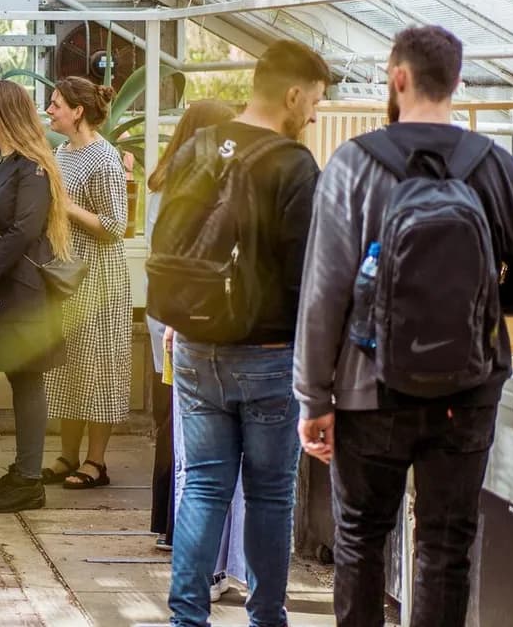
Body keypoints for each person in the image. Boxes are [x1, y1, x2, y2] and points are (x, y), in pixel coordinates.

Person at [295, 25, 513, 627]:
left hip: (371, 390)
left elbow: (323, 293)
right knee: (446, 546)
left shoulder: (351, 165)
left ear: (398, 78)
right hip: (468, 393)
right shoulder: (496, 165)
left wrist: (314, 397)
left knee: (361, 540)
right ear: (456, 82)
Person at [157, 40, 327, 627]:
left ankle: (186, 617)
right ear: (293, 93)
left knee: (203, 488)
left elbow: (171, 239)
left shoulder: (201, 144)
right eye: (315, 103)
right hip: (268, 353)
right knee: (269, 494)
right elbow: (310, 271)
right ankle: (266, 618)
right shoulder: (293, 164)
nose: (313, 115)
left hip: (196, 345)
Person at [143, 100, 242, 601]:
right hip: (184, 319)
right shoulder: (195, 182)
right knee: (188, 441)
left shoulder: (163, 178)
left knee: (175, 428)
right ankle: (188, 547)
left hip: (167, 314)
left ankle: (170, 529)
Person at [0, 80, 71, 514]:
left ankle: (29, 479)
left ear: (8, 116)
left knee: (27, 378)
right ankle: (23, 468)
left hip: (21, 290)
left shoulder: (32, 168)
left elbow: (22, 230)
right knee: (16, 376)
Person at [40, 76, 132, 490]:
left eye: (56, 103)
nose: (50, 109)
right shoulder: (61, 152)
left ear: (78, 111)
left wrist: (66, 206)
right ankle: (67, 455)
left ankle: (96, 462)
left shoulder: (105, 158)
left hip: (98, 275)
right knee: (68, 367)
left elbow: (115, 226)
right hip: (66, 274)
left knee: (98, 368)